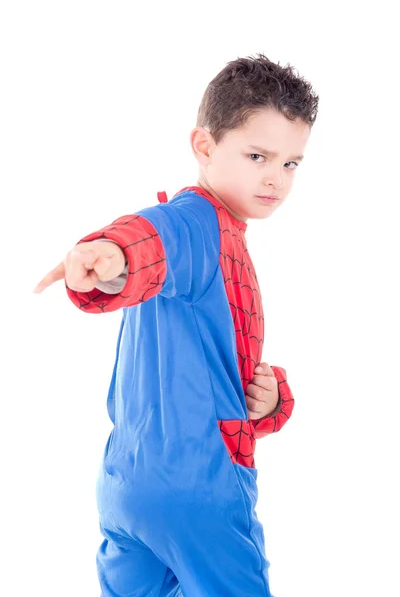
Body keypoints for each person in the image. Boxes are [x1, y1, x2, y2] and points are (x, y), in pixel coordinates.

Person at [33, 53, 319, 597]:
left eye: (291, 163)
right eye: (257, 154)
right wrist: (110, 259)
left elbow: (211, 362)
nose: (276, 178)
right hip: (201, 492)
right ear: (205, 146)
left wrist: (269, 399)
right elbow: (145, 242)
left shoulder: (220, 236)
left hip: (127, 487)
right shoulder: (194, 223)